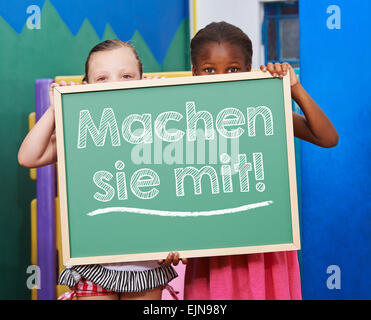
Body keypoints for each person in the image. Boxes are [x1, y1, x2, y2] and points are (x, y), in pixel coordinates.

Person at [18, 39, 184, 300]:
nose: (115, 84)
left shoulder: (160, 131)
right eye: (102, 78)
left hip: (146, 264)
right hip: (94, 262)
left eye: (126, 75)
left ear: (143, 80)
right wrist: (55, 109)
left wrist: (162, 100)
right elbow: (29, 156)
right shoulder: (78, 134)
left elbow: (179, 187)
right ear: (87, 87)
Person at [184, 21, 338, 300]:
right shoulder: (181, 119)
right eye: (209, 69)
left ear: (247, 70)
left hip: (264, 247)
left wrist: (294, 90)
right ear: (195, 72)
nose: (221, 77)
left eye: (232, 69)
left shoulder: (263, 112)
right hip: (211, 248)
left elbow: (327, 137)